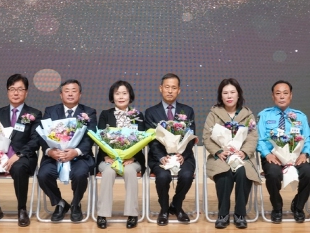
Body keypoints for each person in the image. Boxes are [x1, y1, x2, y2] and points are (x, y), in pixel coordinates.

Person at [0, 74, 42, 227]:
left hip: (23, 157)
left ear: (26, 92)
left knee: (19, 168)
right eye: (12, 89)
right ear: (7, 92)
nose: (16, 93)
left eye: (20, 89)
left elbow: (36, 140)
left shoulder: (34, 114)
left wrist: (19, 154)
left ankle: (22, 209)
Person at [37, 79, 97, 222]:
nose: (70, 94)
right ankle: (60, 203)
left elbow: (91, 137)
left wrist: (76, 151)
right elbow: (42, 136)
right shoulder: (50, 111)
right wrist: (50, 151)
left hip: (79, 157)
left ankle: (76, 204)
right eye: (67, 91)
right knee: (43, 175)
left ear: (80, 94)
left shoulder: (89, 112)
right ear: (61, 94)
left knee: (80, 174)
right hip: (54, 156)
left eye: (74, 91)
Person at [256, 80, 310, 223]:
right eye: (278, 93)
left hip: (296, 157)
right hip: (273, 158)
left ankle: (298, 206)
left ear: (291, 96)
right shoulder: (265, 115)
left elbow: (308, 138)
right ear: (273, 96)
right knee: (273, 174)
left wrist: (304, 154)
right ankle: (277, 207)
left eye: (285, 93)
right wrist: (267, 154)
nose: (282, 96)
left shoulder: (300, 116)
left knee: (309, 173)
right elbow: (259, 138)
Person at [203, 78, 260, 229]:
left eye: (232, 92)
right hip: (221, 156)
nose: (229, 96)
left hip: (242, 156)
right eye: (225, 93)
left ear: (238, 94)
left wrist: (244, 152)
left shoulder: (247, 114)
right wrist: (219, 151)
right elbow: (206, 137)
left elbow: (253, 136)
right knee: (224, 172)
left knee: (243, 172)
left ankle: (240, 214)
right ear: (220, 96)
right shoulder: (214, 113)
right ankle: (223, 214)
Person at [144, 73, 197, 225]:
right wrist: (161, 157)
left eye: (174, 88)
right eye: (167, 87)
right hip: (159, 157)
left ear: (179, 90)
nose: (170, 91)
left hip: (183, 156)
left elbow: (191, 137)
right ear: (160, 88)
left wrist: (183, 155)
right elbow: (151, 140)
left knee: (187, 175)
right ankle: (164, 209)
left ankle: (177, 205)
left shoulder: (187, 111)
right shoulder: (151, 112)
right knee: (162, 176)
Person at [95, 81, 146, 229]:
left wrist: (132, 157)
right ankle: (102, 214)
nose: (121, 97)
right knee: (109, 172)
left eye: (124, 93)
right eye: (117, 94)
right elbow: (100, 138)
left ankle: (132, 214)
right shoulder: (105, 114)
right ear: (112, 96)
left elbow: (142, 139)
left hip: (132, 160)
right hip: (108, 159)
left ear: (130, 96)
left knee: (129, 171)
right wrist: (106, 157)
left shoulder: (137, 115)